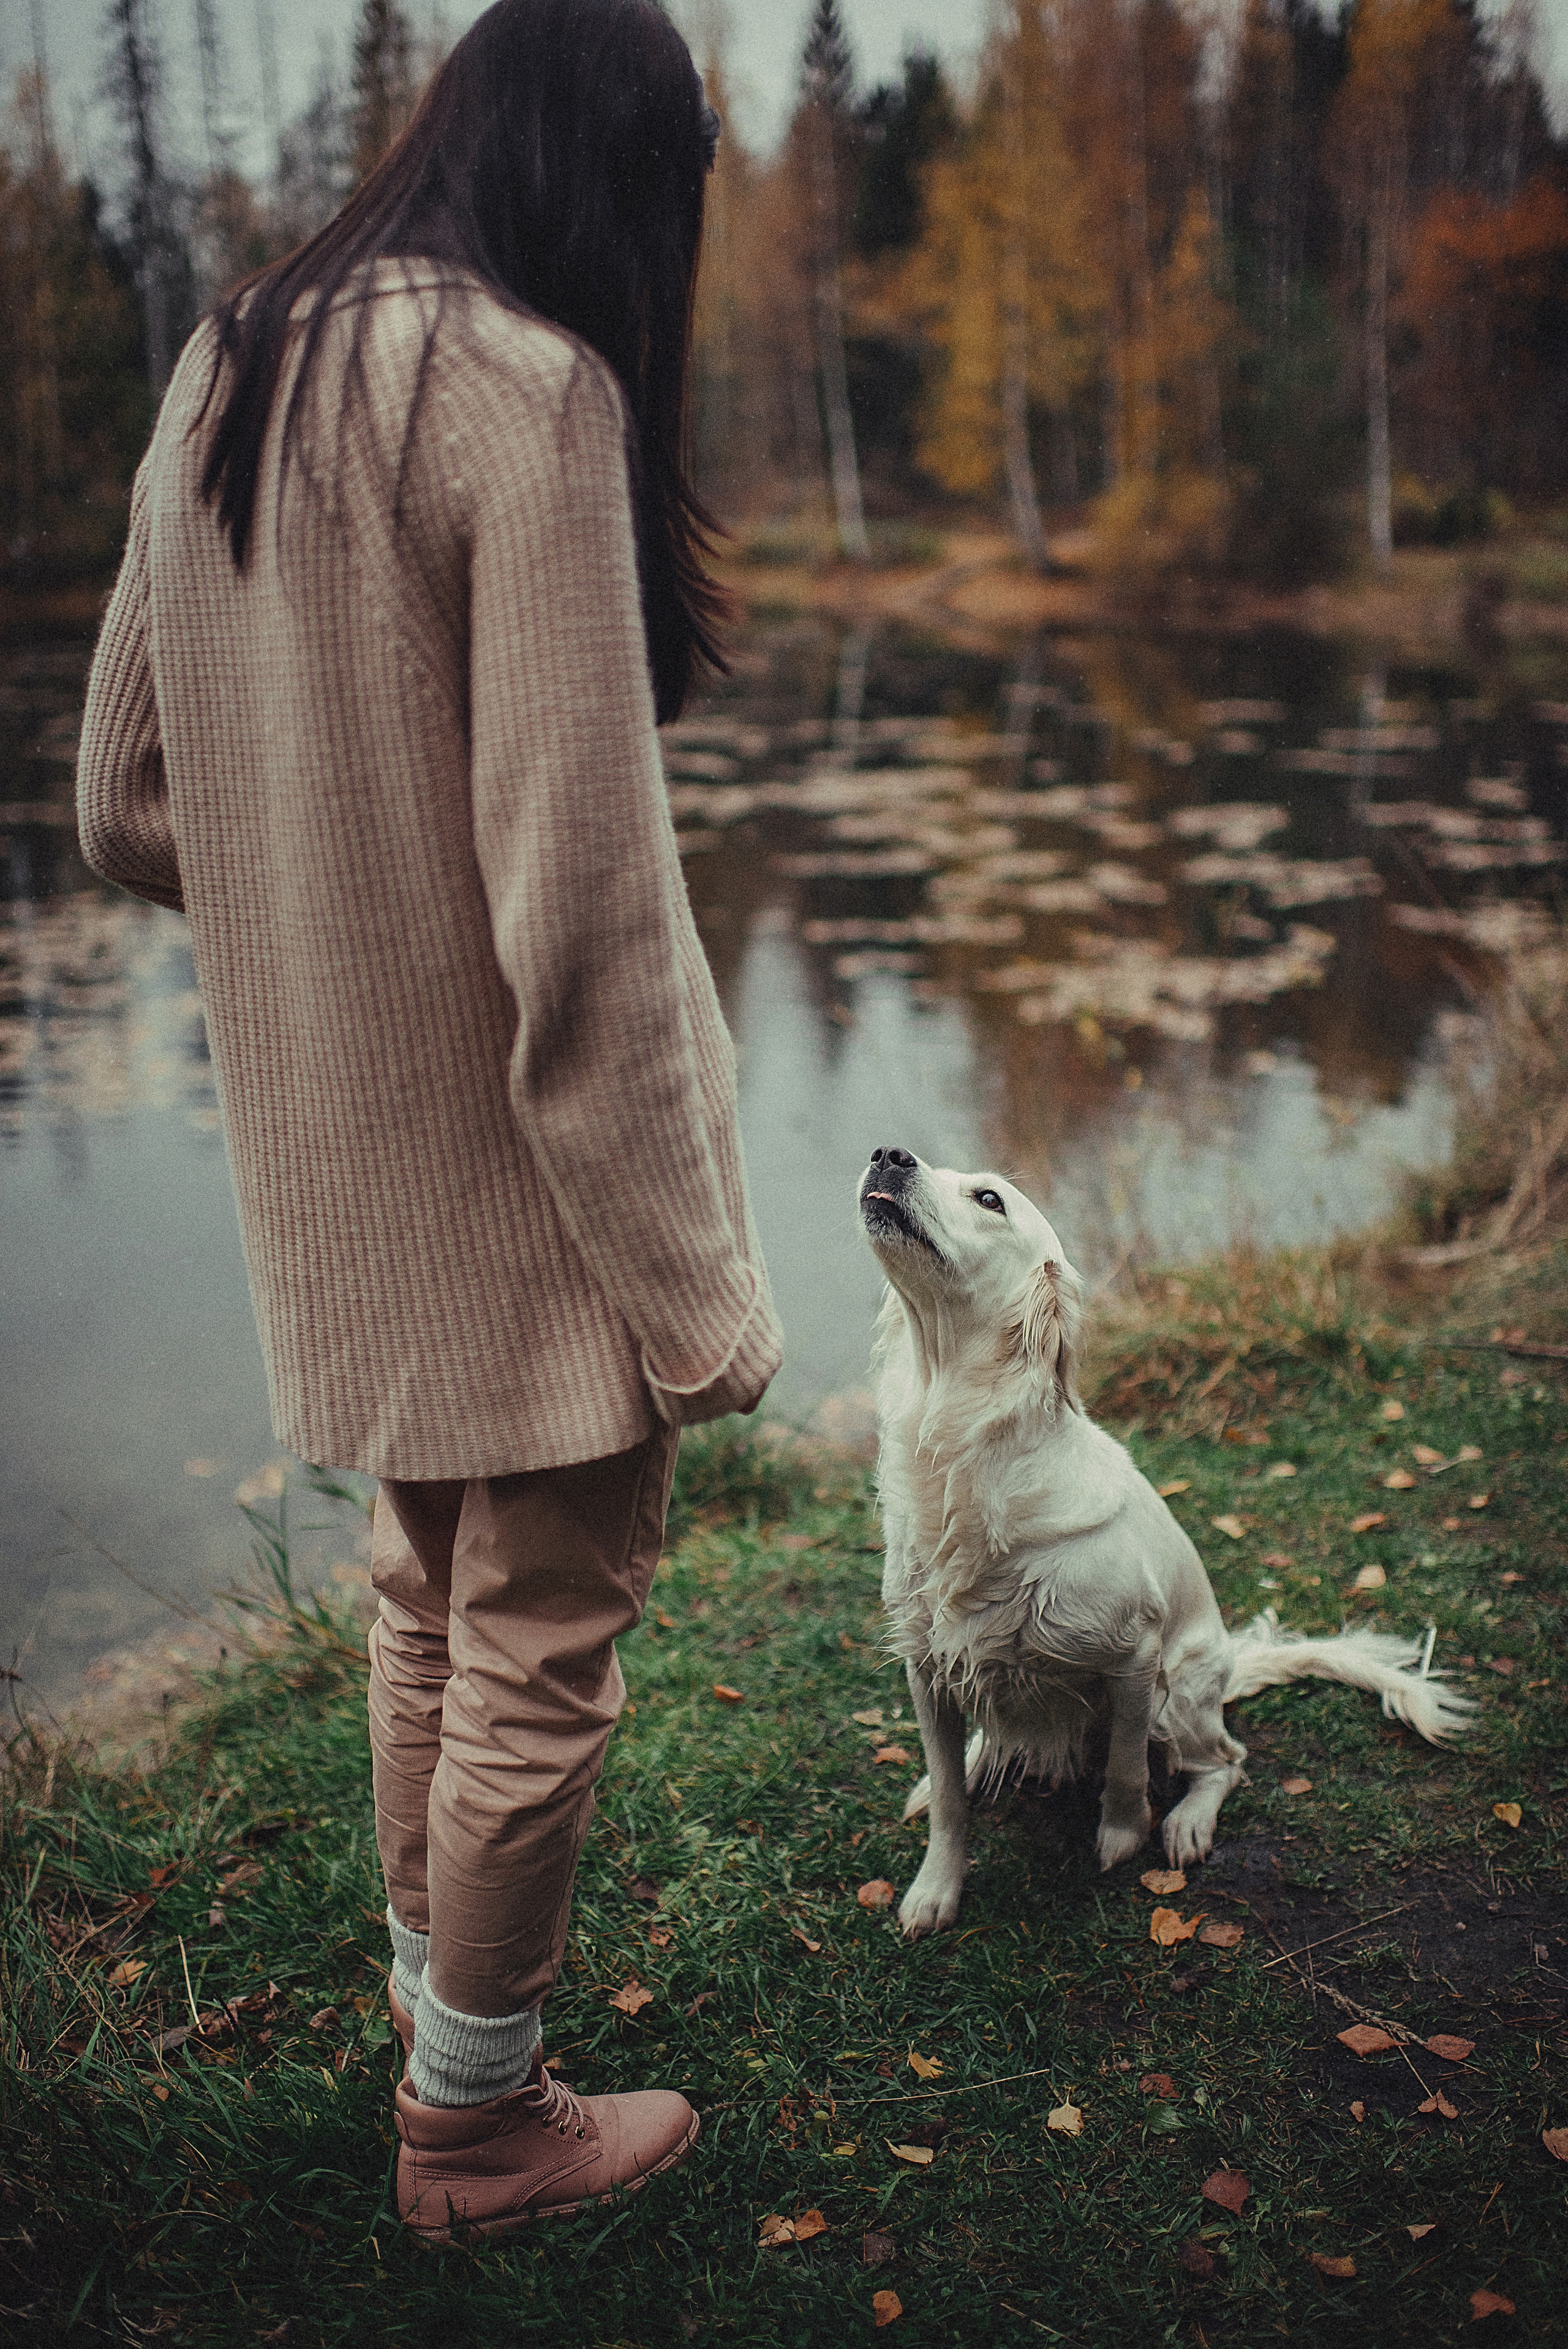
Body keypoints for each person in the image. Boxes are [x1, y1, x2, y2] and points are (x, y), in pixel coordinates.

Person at [76, 0, 781, 2244]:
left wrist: (332, 893)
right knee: (540, 1642)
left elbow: (126, 793)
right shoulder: (528, 393)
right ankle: (475, 2131)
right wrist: (703, 1303)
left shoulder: (231, 357)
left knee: (424, 1599)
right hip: (532, 1175)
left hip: (349, 1177)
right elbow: (587, 928)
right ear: (618, 179)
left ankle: (444, 2030)